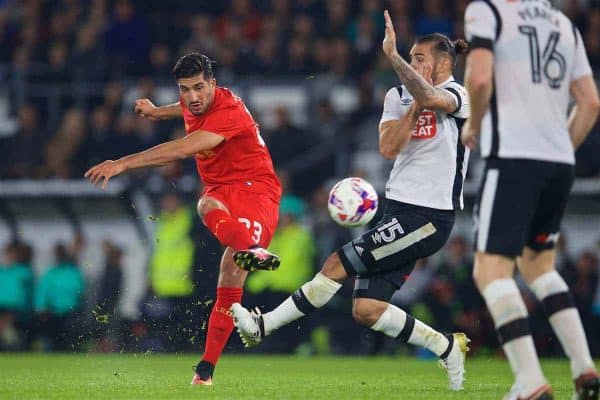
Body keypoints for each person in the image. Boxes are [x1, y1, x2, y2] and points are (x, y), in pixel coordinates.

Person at [232, 10, 471, 390]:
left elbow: (431, 95)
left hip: (430, 216)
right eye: (408, 58)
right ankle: (447, 348)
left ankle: (264, 324)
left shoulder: (460, 95)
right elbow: (389, 148)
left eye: (419, 58)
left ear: (443, 62)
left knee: (336, 263)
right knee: (366, 309)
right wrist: (413, 104)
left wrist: (391, 58)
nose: (411, 64)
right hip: (396, 210)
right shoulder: (397, 96)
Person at [84, 53, 282, 385]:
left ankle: (251, 249)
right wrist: (157, 112)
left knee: (228, 268)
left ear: (213, 85)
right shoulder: (195, 101)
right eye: (185, 89)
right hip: (221, 187)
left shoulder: (228, 112)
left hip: (255, 191)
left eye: (199, 88)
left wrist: (122, 163)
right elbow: (185, 110)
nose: (192, 97)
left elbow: (180, 149)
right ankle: (204, 373)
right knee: (207, 209)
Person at [461, 1, 600, 399]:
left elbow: (482, 78)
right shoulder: (564, 24)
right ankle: (584, 370)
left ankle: (529, 381)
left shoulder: (487, 11)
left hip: (513, 159)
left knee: (491, 272)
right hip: (558, 161)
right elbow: (590, 102)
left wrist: (474, 123)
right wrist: (560, 152)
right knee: (539, 266)